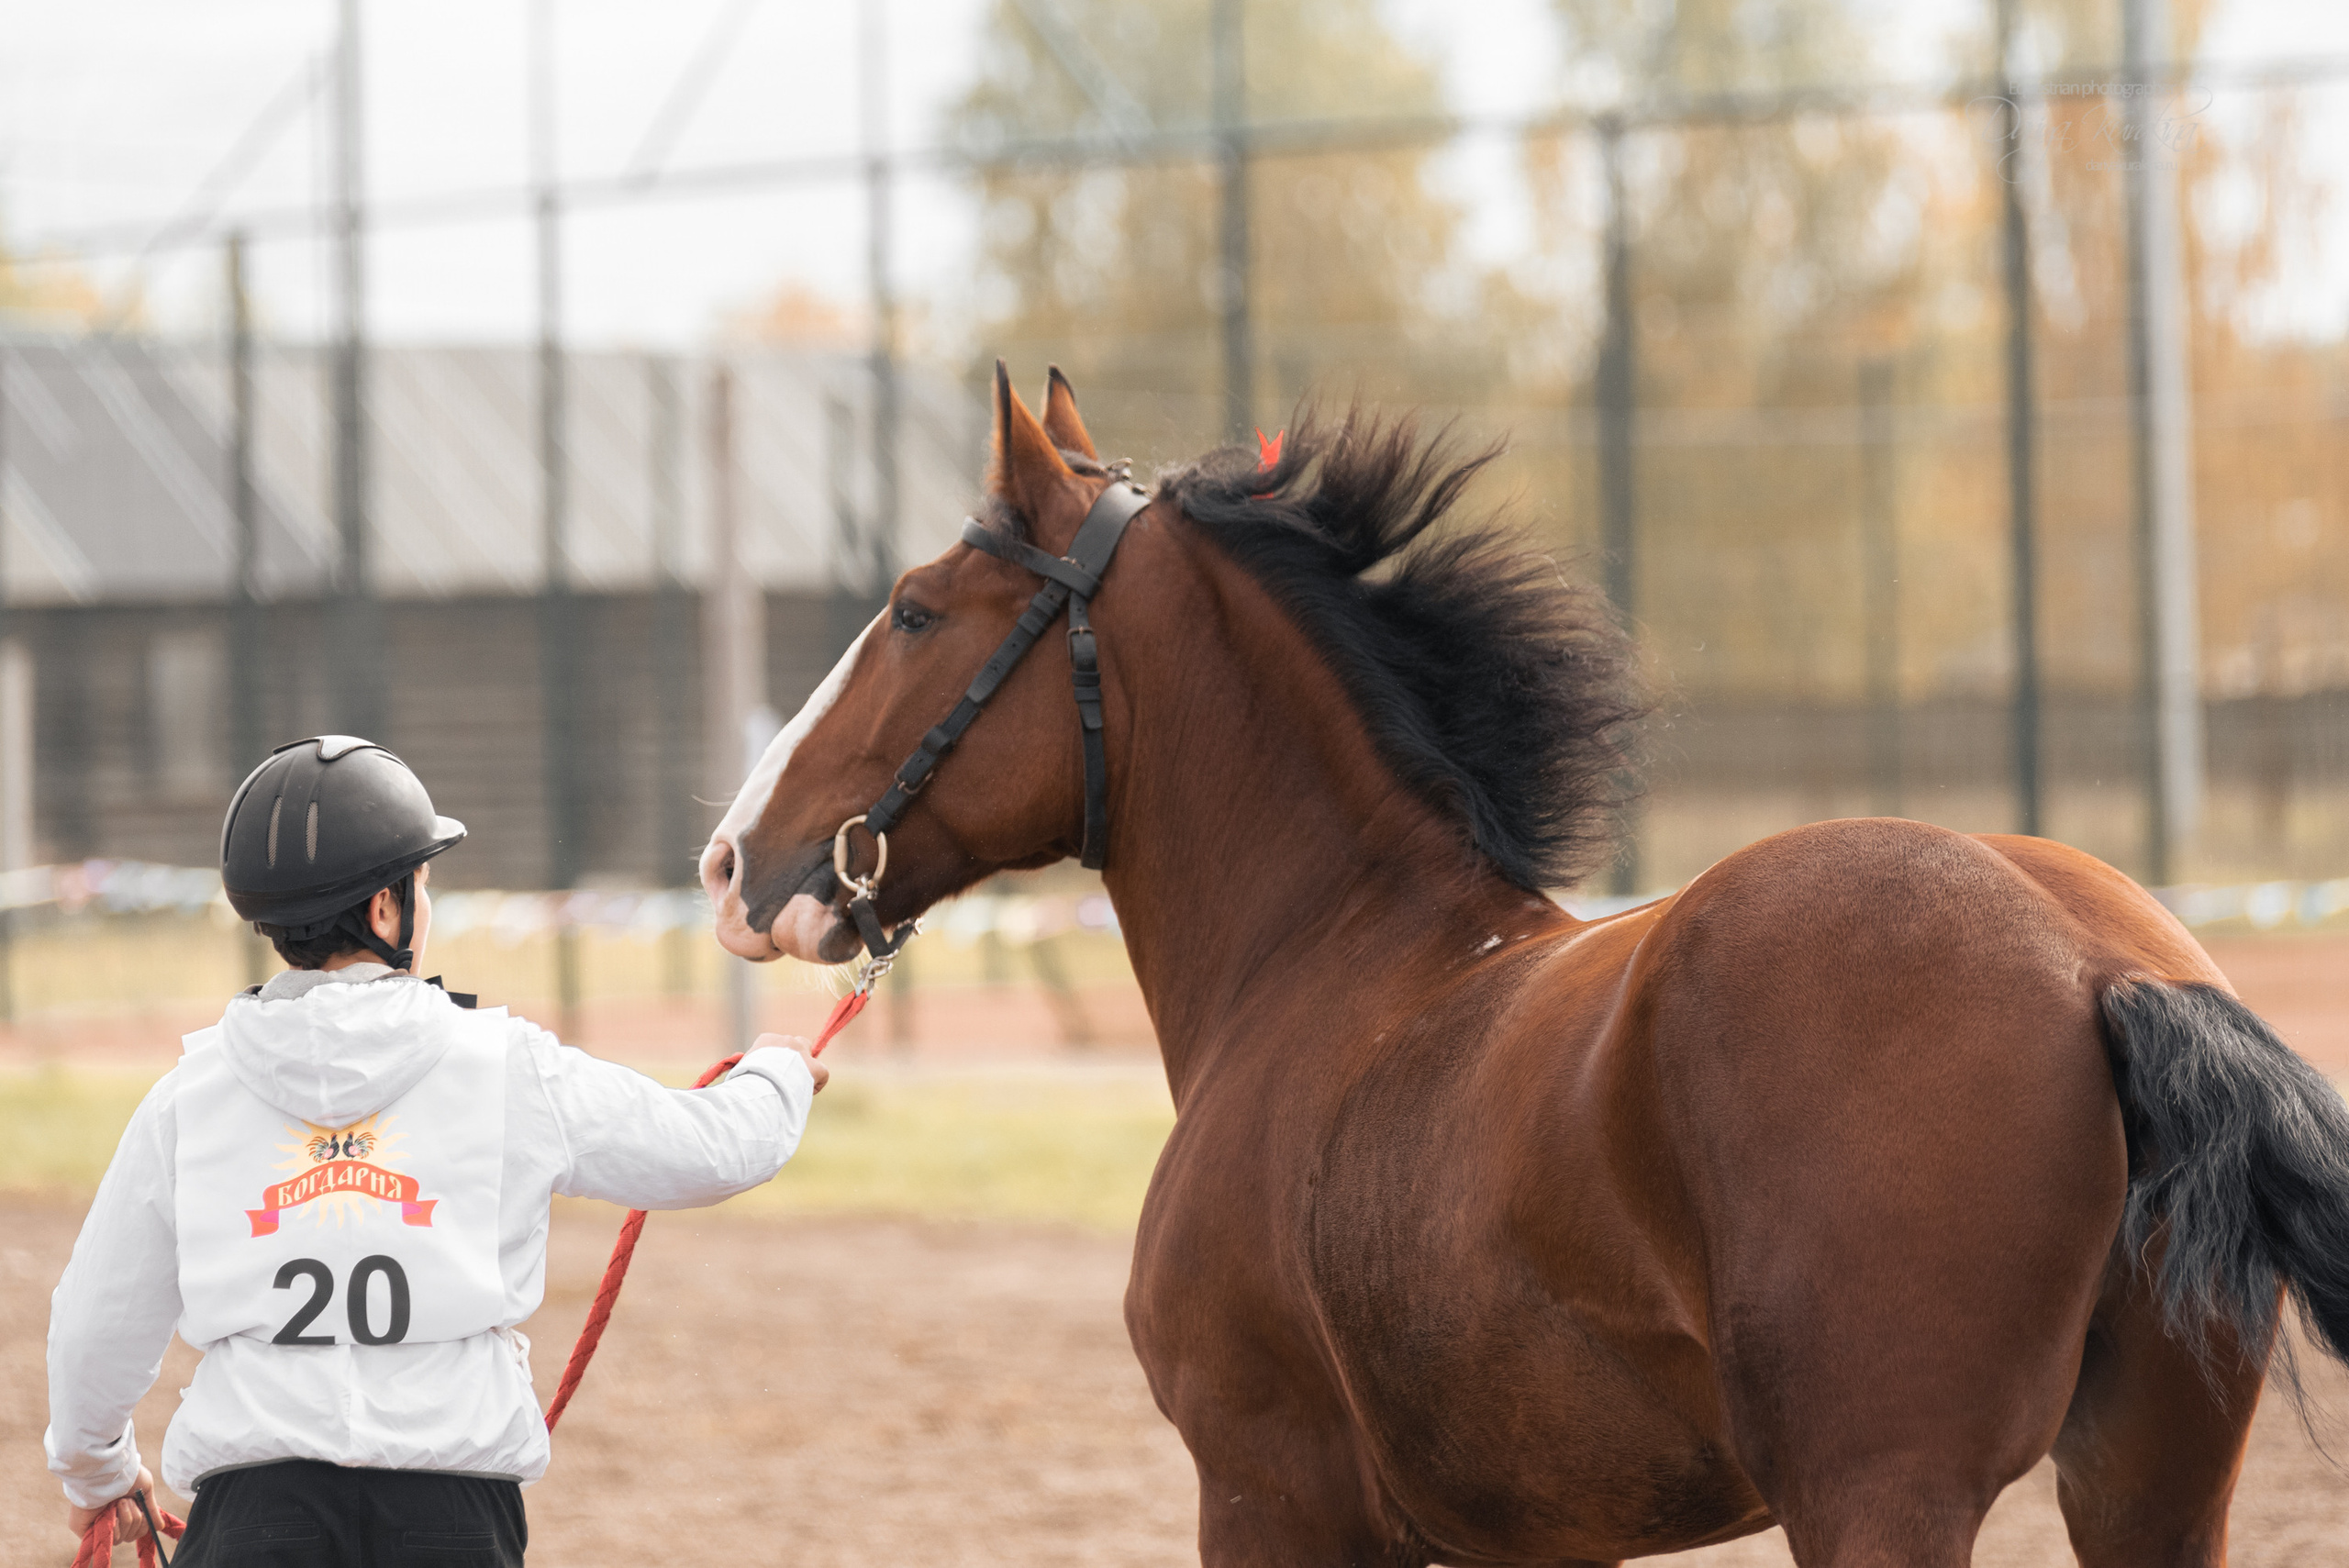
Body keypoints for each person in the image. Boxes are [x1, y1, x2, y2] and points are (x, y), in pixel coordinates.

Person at [45, 735, 824, 1566]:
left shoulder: (186, 1097)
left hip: (253, 1515)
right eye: (422, 881)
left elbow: (95, 1322)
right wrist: (777, 1073)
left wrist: (101, 1474)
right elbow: (710, 1150)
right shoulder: (509, 1066)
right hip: (451, 1518)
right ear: (386, 909)